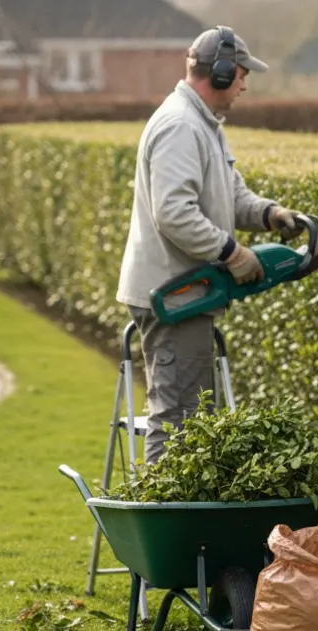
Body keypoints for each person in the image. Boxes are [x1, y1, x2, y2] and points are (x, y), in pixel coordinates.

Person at [116, 25, 304, 465]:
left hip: (190, 293)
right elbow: (174, 212)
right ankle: (164, 520)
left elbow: (231, 195)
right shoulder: (181, 126)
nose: (244, 83)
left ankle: (180, 520)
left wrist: (269, 214)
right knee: (178, 418)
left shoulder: (204, 124)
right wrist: (233, 255)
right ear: (220, 73)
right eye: (240, 74)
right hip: (173, 294)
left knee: (192, 416)